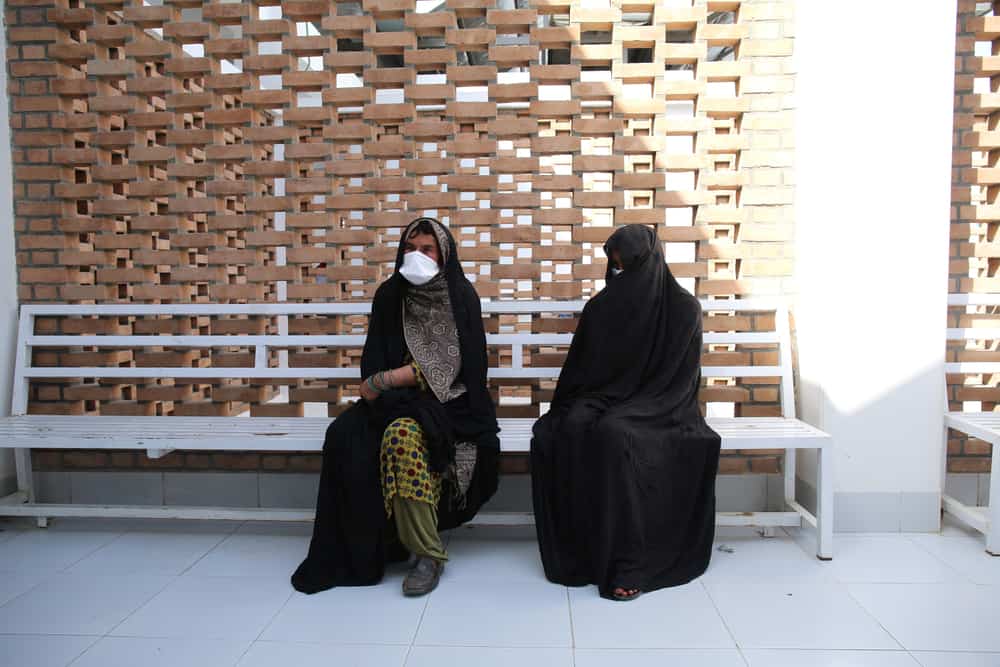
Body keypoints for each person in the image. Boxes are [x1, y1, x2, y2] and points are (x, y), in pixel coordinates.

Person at [292, 217, 500, 597]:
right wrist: (381, 383)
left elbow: (459, 365)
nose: (416, 256)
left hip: (452, 403)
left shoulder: (460, 296)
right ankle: (373, 540)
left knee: (402, 435)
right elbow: (372, 360)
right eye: (409, 248)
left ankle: (427, 553)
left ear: (444, 255)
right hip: (396, 402)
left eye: (426, 249)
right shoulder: (390, 295)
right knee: (343, 435)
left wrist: (389, 379)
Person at [530, 224, 721, 601]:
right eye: (615, 266)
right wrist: (585, 404)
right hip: (602, 398)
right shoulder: (601, 308)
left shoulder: (683, 310)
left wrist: (635, 407)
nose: (620, 275)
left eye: (629, 266)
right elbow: (580, 374)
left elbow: (680, 381)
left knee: (616, 434)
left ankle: (628, 562)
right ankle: (583, 557)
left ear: (651, 263)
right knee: (568, 428)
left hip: (661, 405)